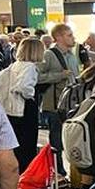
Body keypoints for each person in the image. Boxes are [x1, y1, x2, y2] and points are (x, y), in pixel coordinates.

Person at [0, 37, 43, 173]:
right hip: (25, 108)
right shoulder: (30, 67)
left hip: (11, 109)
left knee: (16, 144)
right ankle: (26, 174)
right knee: (27, 145)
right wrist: (31, 95)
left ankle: (15, 173)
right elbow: (23, 86)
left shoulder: (15, 65)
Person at [36, 23, 80, 174]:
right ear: (59, 37)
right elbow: (37, 76)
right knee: (56, 140)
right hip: (54, 105)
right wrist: (59, 75)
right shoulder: (49, 55)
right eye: (69, 35)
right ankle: (57, 171)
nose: (73, 38)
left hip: (71, 104)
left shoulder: (72, 55)